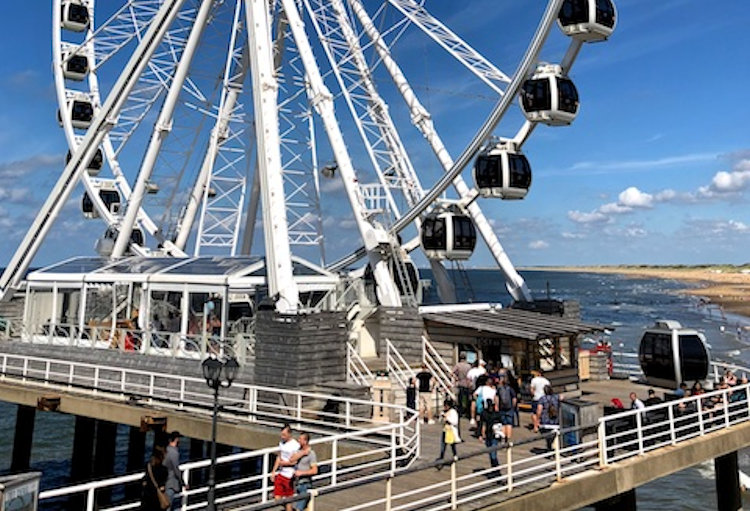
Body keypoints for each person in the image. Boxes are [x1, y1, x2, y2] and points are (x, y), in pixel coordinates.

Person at [278, 433, 318, 511]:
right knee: (283, 500)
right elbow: (291, 459)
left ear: (305, 441)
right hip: (296, 483)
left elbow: (314, 470)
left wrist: (301, 473)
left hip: (305, 484)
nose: (298, 440)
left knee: (299, 508)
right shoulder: (298, 451)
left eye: (300, 439)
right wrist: (303, 453)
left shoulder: (311, 454)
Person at [271, 424, 301, 511]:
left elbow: (295, 461)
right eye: (281, 434)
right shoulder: (281, 443)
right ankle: (291, 509)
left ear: (289, 434)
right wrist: (273, 471)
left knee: (288, 499)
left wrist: (285, 463)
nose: (282, 436)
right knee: (277, 498)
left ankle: (290, 509)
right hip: (281, 473)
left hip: (290, 475)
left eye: (284, 435)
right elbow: (279, 457)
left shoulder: (295, 445)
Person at [164, 431, 187, 510]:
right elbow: (176, 470)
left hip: (163, 482)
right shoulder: (174, 453)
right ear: (176, 440)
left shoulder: (165, 451)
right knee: (168, 505)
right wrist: (183, 483)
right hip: (170, 484)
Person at [141, 447, 168, 511]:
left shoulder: (148, 466)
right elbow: (162, 486)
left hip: (147, 495)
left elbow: (145, 478)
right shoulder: (163, 469)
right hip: (156, 497)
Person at [435, 399, 461, 464]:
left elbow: (455, 422)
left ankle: (455, 455)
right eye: (444, 406)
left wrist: (447, 419)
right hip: (445, 430)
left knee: (452, 444)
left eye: (446, 406)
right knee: (443, 445)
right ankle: (441, 457)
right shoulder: (443, 412)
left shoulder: (453, 412)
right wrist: (441, 417)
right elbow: (440, 421)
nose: (445, 407)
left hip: (451, 431)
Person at [537, 385, 560, 451]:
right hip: (555, 420)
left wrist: (537, 420)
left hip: (545, 421)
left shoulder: (542, 399)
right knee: (554, 435)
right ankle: (554, 448)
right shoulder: (556, 397)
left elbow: (539, 410)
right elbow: (562, 398)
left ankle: (549, 447)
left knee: (547, 436)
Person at [480, 398, 501, 469]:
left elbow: (501, 425)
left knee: (493, 454)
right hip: (488, 435)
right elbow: (482, 424)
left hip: (495, 436)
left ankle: (496, 468)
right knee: (490, 453)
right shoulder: (484, 413)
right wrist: (481, 435)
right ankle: (494, 468)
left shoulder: (497, 414)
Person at [496, 377, 517, 443]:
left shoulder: (499, 389)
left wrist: (497, 405)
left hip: (502, 408)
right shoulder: (511, 389)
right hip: (509, 408)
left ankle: (503, 436)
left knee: (503, 423)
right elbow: (514, 399)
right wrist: (513, 406)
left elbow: (496, 397)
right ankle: (508, 438)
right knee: (509, 423)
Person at [452, 354, 472, 418]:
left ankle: (460, 412)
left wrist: (456, 378)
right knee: (467, 399)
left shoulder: (458, 365)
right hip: (467, 383)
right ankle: (467, 412)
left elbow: (452, 373)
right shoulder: (468, 366)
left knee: (460, 399)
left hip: (460, 383)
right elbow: (470, 375)